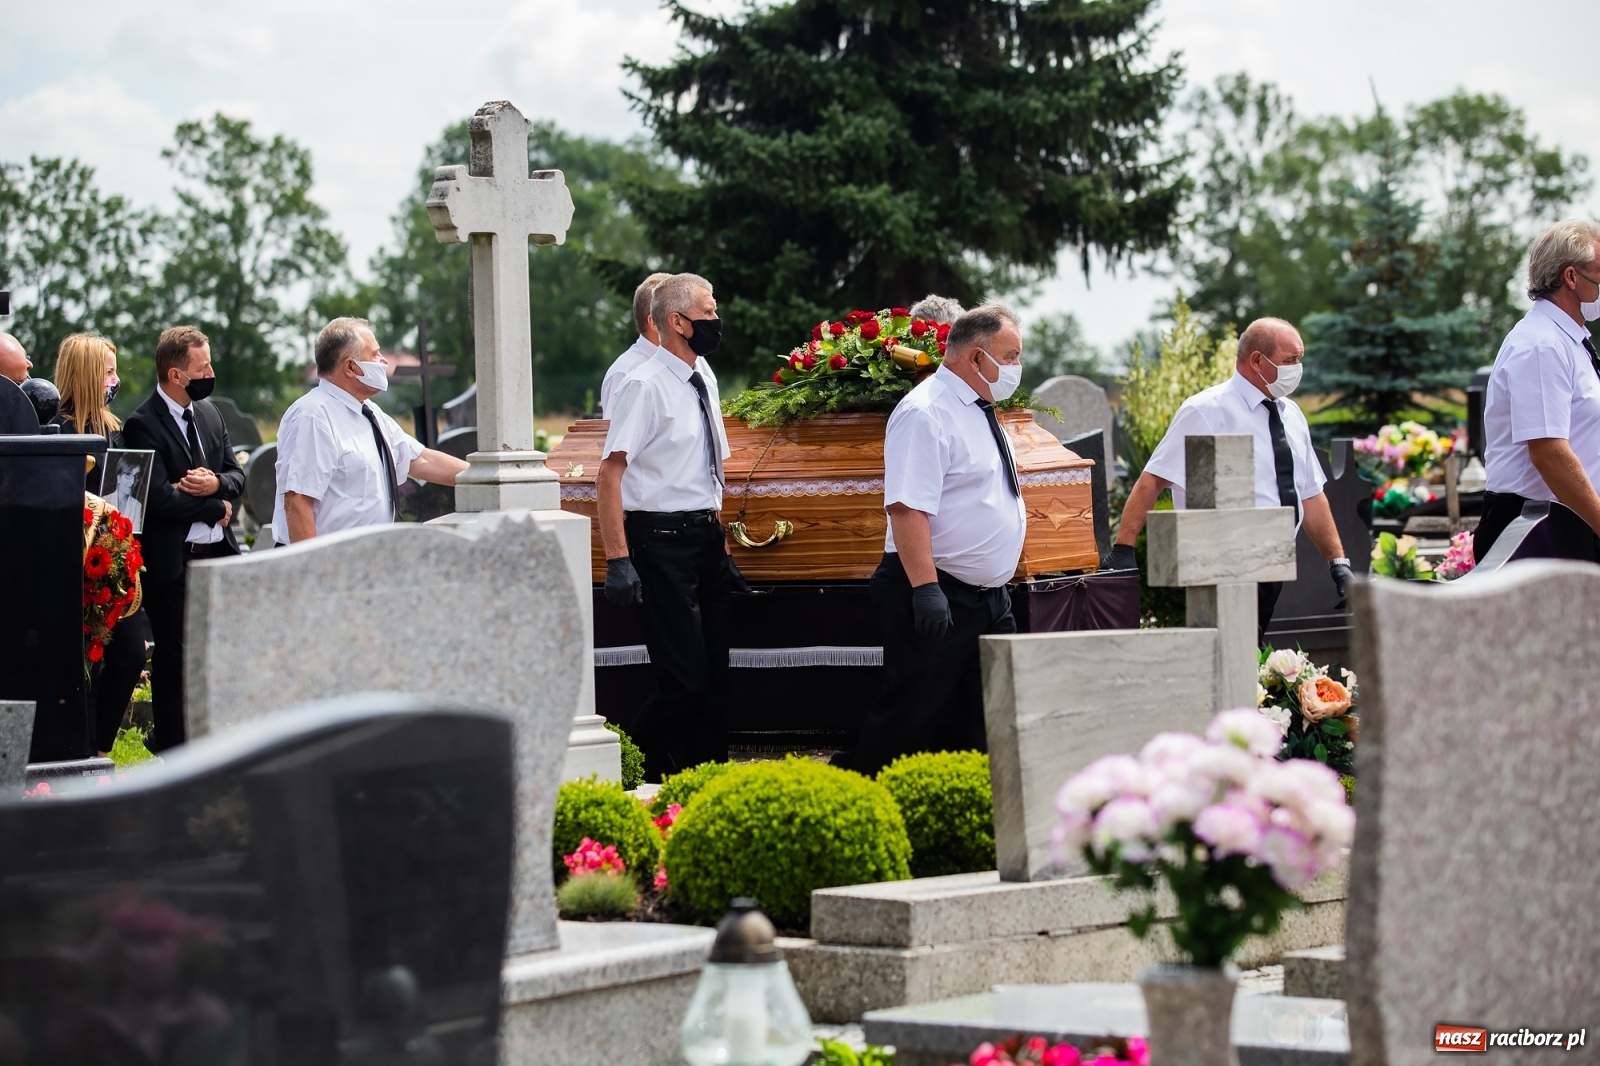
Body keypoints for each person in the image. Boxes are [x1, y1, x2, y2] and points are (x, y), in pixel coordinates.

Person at [845, 304, 1028, 777]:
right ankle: (868, 813)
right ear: (975, 357)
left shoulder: (981, 409)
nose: (1016, 368)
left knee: (991, 720)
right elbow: (907, 507)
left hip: (989, 600)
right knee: (909, 719)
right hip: (936, 590)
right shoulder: (925, 412)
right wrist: (926, 589)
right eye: (1009, 357)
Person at [1104, 317, 1351, 637]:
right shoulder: (1206, 410)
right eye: (1290, 360)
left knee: (1251, 655)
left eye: (1300, 359)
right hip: (1222, 562)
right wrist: (1124, 548)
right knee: (1231, 656)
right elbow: (1154, 478)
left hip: (1273, 563)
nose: (1297, 368)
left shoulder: (1291, 414)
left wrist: (1337, 562)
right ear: (1257, 361)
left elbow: (1309, 494)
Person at [597, 273, 737, 779]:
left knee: (716, 677)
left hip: (703, 537)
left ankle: (706, 780)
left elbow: (707, 465)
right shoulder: (643, 384)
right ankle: (626, 773)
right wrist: (619, 559)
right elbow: (608, 474)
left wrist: (720, 541)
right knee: (684, 680)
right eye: (709, 311)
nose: (717, 321)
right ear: (678, 322)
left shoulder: (702, 376)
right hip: (659, 539)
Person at [122, 325, 243, 751]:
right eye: (203, 366)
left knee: (214, 654)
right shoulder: (142, 425)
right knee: (175, 658)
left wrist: (215, 487)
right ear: (177, 375)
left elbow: (236, 475)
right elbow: (157, 501)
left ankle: (211, 736)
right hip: (174, 562)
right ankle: (173, 745)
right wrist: (215, 506)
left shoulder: (209, 415)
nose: (211, 371)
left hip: (217, 556)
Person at [274, 317, 468, 543]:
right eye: (375, 354)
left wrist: (485, 477)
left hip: (365, 558)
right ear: (350, 367)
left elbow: (421, 460)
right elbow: (297, 501)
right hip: (329, 562)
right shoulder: (313, 416)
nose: (384, 361)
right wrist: (313, 569)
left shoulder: (370, 412)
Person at [1475, 219, 1600, 563]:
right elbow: (1549, 453)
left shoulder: (1569, 341)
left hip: (1570, 522)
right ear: (1572, 277)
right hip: (1538, 531)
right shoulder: (1541, 345)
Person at [54, 332, 147, 755]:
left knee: (128, 655)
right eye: (108, 372)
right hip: (74, 565)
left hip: (113, 562)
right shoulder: (58, 431)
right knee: (82, 663)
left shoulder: (115, 432)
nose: (115, 379)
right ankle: (78, 746)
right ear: (90, 375)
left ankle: (99, 746)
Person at [599, 272, 672, 416]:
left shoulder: (697, 364)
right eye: (678, 315)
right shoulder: (625, 373)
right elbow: (618, 436)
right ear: (654, 323)